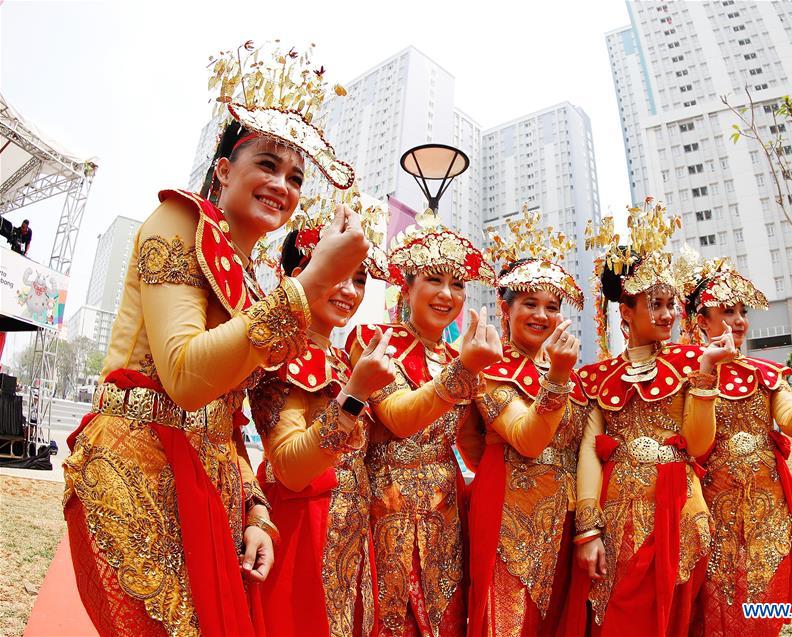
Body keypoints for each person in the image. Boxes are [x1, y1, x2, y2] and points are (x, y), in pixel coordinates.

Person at [62, 41, 369, 637]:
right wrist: (308, 284)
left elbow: (226, 418)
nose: (282, 184)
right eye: (267, 165)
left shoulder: (263, 289)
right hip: (135, 466)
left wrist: (254, 506)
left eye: (295, 177)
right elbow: (182, 374)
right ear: (225, 169)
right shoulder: (178, 223)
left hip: (213, 488)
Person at [567, 201, 736, 637]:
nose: (667, 315)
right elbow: (589, 448)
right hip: (619, 513)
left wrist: (705, 375)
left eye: (671, 304)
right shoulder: (597, 376)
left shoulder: (691, 361)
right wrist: (588, 529)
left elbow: (698, 446)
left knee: (679, 619)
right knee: (622, 616)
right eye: (655, 304)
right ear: (626, 311)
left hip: (681, 508)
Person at [347, 210, 501, 637]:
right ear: (407, 285)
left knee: (444, 620)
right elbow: (398, 418)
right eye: (434, 279)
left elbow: (473, 442)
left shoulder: (460, 359)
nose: (446, 294)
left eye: (457, 285)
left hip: (445, 510)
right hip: (384, 503)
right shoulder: (374, 340)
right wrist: (466, 369)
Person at [677, 254, 792, 637]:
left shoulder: (765, 375)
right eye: (727, 312)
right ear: (702, 320)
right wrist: (707, 372)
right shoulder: (686, 376)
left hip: (769, 512)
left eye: (742, 312)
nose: (739, 321)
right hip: (716, 515)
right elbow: (694, 446)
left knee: (763, 604)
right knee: (717, 610)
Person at [250, 211, 394, 637]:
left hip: (349, 529)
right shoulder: (280, 355)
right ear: (301, 274)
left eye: (360, 279)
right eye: (338, 273)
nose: (349, 291)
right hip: (303, 531)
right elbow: (291, 469)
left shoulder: (343, 357)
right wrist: (354, 395)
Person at [466, 208, 590, 637]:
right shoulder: (492, 369)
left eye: (551, 307)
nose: (541, 315)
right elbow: (527, 439)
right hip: (508, 509)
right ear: (505, 309)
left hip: (565, 513)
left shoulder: (569, 373)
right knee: (508, 620)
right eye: (530, 304)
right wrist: (556, 377)